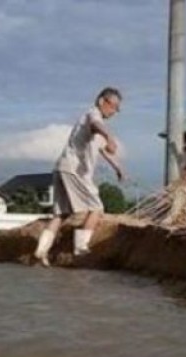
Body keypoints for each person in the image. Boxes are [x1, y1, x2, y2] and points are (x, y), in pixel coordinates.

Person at [34, 87, 126, 267]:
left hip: (62, 168)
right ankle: (81, 249)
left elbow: (104, 150)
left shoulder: (96, 129)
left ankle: (41, 251)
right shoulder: (93, 114)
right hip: (74, 170)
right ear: (102, 101)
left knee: (60, 214)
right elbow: (96, 124)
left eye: (117, 109)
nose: (114, 111)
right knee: (96, 207)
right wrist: (109, 135)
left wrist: (118, 168)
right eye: (113, 106)